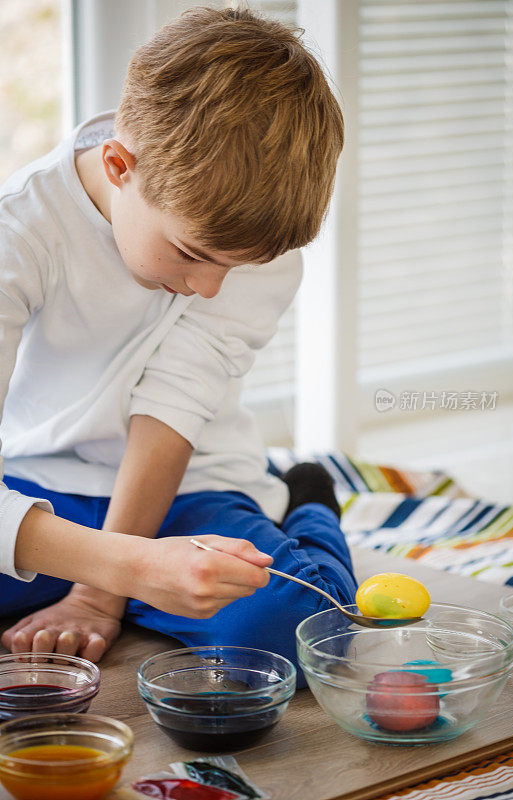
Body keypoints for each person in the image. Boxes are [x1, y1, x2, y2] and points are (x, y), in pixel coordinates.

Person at [0, 5, 357, 686]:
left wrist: (102, 588)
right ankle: (149, 592)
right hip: (42, 487)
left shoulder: (254, 238)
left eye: (233, 266)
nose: (211, 289)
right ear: (119, 164)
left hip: (189, 485)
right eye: (191, 255)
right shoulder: (18, 235)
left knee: (303, 635)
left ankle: (310, 502)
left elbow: (174, 405)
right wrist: (123, 568)